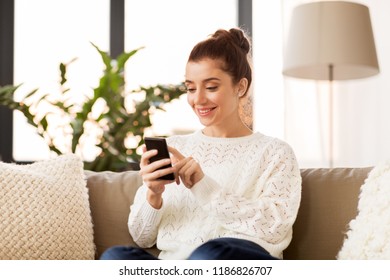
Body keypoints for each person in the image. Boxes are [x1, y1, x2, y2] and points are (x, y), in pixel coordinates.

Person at [100, 27, 302, 260]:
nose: (198, 99)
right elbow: (142, 237)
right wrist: (153, 194)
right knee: (115, 257)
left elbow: (274, 228)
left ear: (241, 86)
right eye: (191, 88)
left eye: (211, 87)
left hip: (233, 262)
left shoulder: (275, 153)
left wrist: (203, 186)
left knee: (210, 254)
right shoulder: (175, 146)